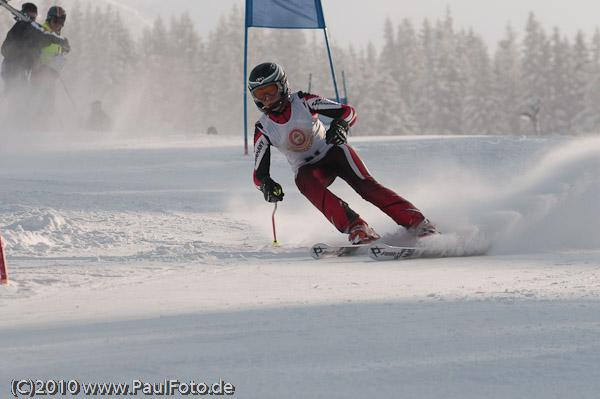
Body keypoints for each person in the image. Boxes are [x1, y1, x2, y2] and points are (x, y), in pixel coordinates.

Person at [249, 62, 437, 245]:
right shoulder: (263, 128)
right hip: (309, 170)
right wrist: (266, 185)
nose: (267, 98)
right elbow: (259, 175)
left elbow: (348, 112)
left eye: (271, 90)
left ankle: (419, 224)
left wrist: (340, 125)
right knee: (303, 180)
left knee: (366, 186)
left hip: (333, 152)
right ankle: (358, 228)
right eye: (260, 94)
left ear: (283, 86)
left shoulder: (303, 101)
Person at [1, 3, 70, 93]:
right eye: (30, 15)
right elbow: (45, 34)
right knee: (20, 97)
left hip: (21, 70)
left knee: (19, 98)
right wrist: (61, 41)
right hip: (16, 70)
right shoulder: (30, 26)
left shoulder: (26, 28)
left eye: (34, 15)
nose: (32, 17)